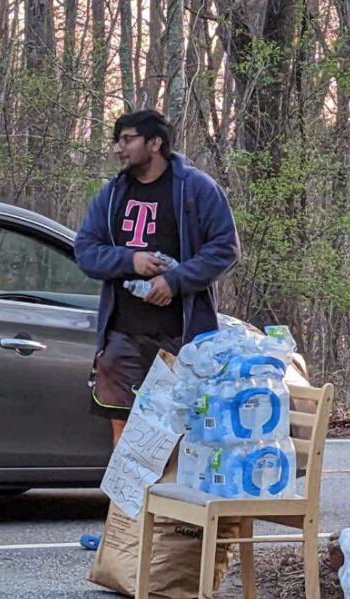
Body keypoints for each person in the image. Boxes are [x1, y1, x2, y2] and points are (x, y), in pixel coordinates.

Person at [74, 109, 239, 551]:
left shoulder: (195, 190)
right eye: (117, 139)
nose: (118, 147)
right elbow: (85, 250)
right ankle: (122, 532)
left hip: (180, 339)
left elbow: (225, 247)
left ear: (155, 144)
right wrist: (130, 261)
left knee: (178, 435)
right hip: (123, 335)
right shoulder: (112, 195)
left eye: (126, 138)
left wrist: (174, 281)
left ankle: (171, 536)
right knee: (125, 434)